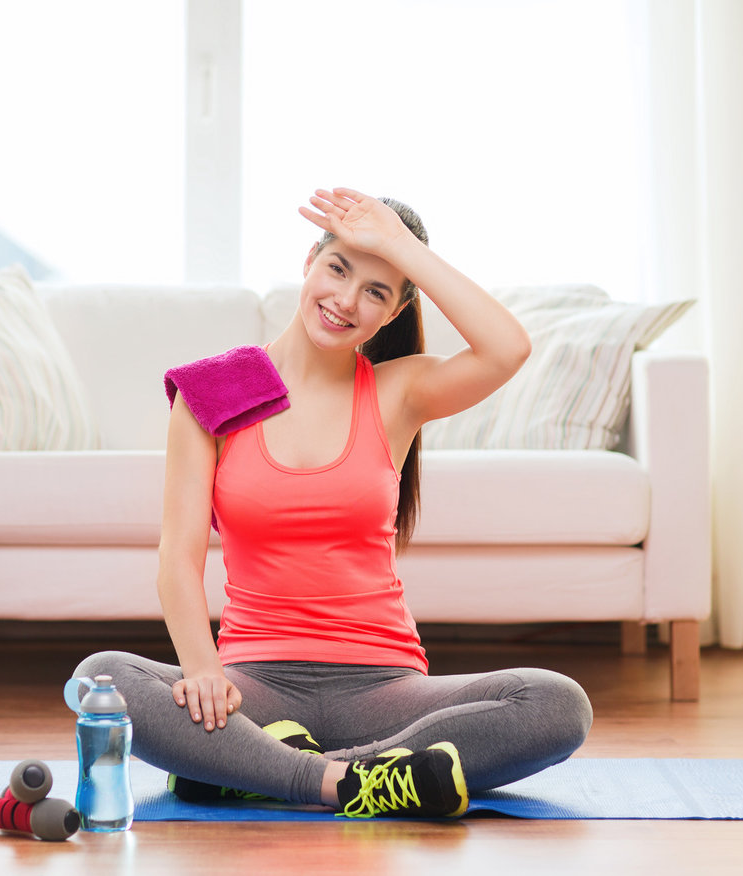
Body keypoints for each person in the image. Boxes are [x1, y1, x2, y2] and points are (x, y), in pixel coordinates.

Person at [74, 187, 592, 818]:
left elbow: (507, 348)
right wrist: (203, 671)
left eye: (376, 290)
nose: (345, 301)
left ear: (395, 309)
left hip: (384, 686)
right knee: (102, 679)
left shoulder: (400, 393)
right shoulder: (214, 393)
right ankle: (345, 783)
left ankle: (260, 768)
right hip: (253, 683)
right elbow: (176, 559)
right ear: (309, 261)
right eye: (338, 269)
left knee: (557, 703)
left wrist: (398, 245)